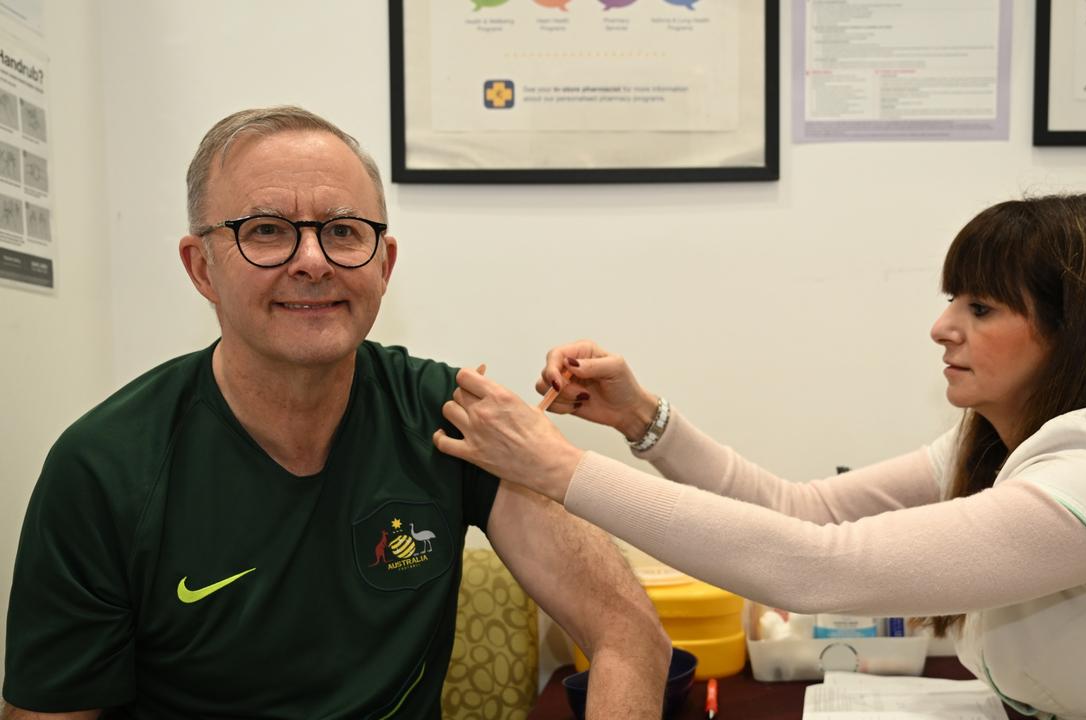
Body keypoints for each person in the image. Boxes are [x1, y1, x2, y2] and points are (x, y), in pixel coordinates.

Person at [434, 194, 1086, 719]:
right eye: (953, 299)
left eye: (981, 307)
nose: (943, 326)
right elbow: (810, 513)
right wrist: (642, 420)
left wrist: (557, 470)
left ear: (1076, 331)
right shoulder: (1004, 439)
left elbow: (820, 570)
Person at [1, 106, 670, 719]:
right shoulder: (104, 468)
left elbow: (628, 633)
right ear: (201, 267)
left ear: (383, 264)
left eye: (343, 232)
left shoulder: (450, 416)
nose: (312, 261)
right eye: (266, 231)